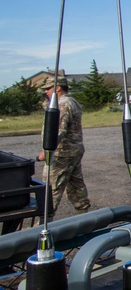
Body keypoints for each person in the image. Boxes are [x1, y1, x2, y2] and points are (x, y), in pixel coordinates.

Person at [37, 77, 91, 215]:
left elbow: (59, 130)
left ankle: (43, 223)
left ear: (57, 88)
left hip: (62, 153)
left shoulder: (62, 104)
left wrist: (47, 150)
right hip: (74, 150)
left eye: (48, 89)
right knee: (75, 184)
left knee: (50, 188)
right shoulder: (73, 102)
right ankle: (83, 215)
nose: (46, 92)